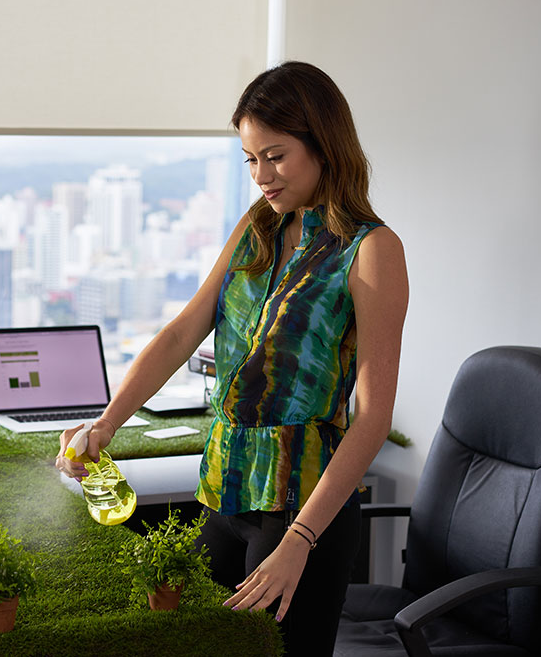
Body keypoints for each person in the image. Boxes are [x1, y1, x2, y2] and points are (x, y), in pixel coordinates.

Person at [56, 61, 408, 655]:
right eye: (249, 159)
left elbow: (372, 418)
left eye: (275, 155)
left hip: (303, 507)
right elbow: (180, 334)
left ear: (324, 145)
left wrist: (300, 540)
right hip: (226, 488)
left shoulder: (372, 250)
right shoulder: (259, 226)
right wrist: (106, 424)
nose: (261, 176)